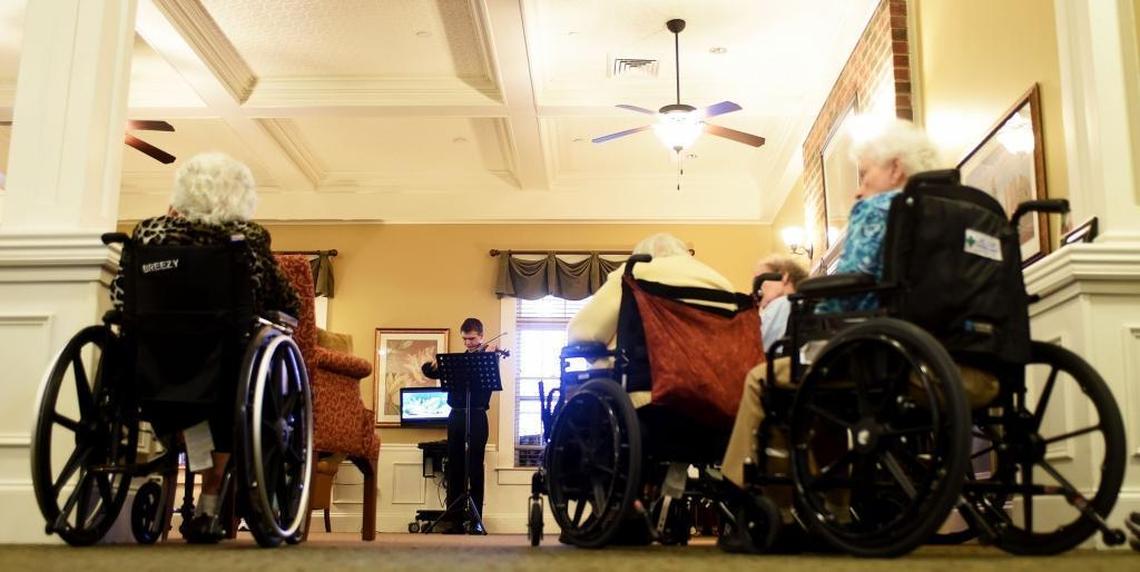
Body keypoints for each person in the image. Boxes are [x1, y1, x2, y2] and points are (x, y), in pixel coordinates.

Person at [110, 152, 299, 542]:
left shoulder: (147, 233)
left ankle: (184, 483)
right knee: (227, 395)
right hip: (218, 374)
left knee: (197, 399)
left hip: (152, 370)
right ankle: (210, 500)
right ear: (239, 197)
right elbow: (281, 302)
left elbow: (121, 297)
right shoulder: (245, 239)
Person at [816, 118, 941, 313]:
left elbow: (843, 293)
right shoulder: (965, 209)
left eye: (864, 174)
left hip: (881, 330)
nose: (858, 192)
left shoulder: (876, 209)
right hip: (962, 335)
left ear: (895, 169)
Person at [421, 317, 495, 535]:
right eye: (465, 340)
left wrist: (491, 352)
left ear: (481, 336)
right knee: (455, 467)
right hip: (456, 416)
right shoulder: (456, 362)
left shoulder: (488, 357)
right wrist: (432, 365)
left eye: (472, 339)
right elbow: (430, 372)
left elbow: (492, 367)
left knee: (475, 467)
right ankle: (454, 521)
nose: (469, 344)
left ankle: (476, 521)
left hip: (478, 415)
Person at [752, 255, 808, 353]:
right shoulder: (803, 305)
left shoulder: (783, 303)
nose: (757, 290)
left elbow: (751, 346)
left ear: (784, 276)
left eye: (759, 280)